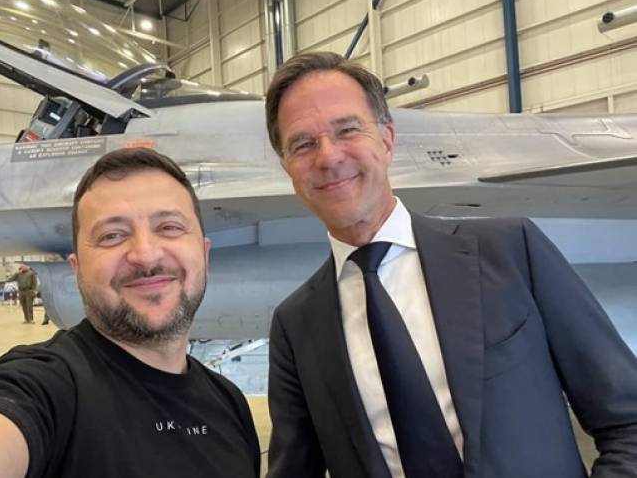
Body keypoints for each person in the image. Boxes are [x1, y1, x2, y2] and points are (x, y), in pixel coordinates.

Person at [264, 51, 637, 478]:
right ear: (287, 168)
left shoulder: (509, 251)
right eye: (303, 144)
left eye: (347, 130)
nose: (328, 157)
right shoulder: (297, 327)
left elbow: (628, 422)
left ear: (387, 139)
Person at [0, 148, 261, 478]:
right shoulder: (47, 389)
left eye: (170, 227)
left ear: (204, 254)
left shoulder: (229, 402)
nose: (145, 255)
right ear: (77, 269)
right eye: (112, 235)